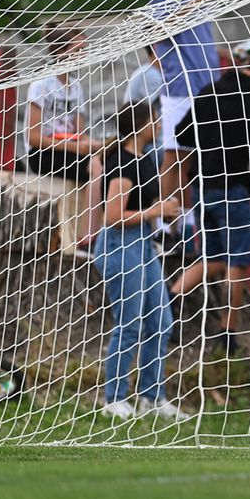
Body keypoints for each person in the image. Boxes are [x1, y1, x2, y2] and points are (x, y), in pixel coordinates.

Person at [171, 42, 250, 353]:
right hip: (233, 187)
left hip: (200, 187)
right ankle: (228, 330)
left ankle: (170, 300)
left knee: (211, 257)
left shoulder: (211, 90)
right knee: (236, 262)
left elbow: (182, 134)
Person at [94, 102, 188, 421]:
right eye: (155, 120)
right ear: (140, 125)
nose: (160, 125)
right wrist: (155, 211)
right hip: (120, 246)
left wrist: (165, 206)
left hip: (144, 244)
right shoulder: (121, 162)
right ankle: (114, 398)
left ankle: (152, 397)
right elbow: (113, 216)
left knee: (160, 321)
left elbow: (145, 205)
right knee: (129, 324)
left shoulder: (146, 159)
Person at [151, 0, 222, 222]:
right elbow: (156, 30)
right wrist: (189, 6)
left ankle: (181, 219)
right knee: (173, 155)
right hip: (180, 86)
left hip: (206, 87)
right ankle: (163, 219)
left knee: (193, 156)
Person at [25, 23, 103, 183]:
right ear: (61, 51)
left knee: (114, 163)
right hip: (43, 153)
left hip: (71, 150)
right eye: (78, 51)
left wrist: (97, 144)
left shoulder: (76, 86)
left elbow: (79, 134)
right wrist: (76, 148)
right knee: (93, 169)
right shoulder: (42, 84)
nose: (83, 56)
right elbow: (33, 138)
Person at [123, 44, 166, 111]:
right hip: (138, 120)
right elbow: (161, 111)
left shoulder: (146, 70)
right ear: (156, 47)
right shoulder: (151, 74)